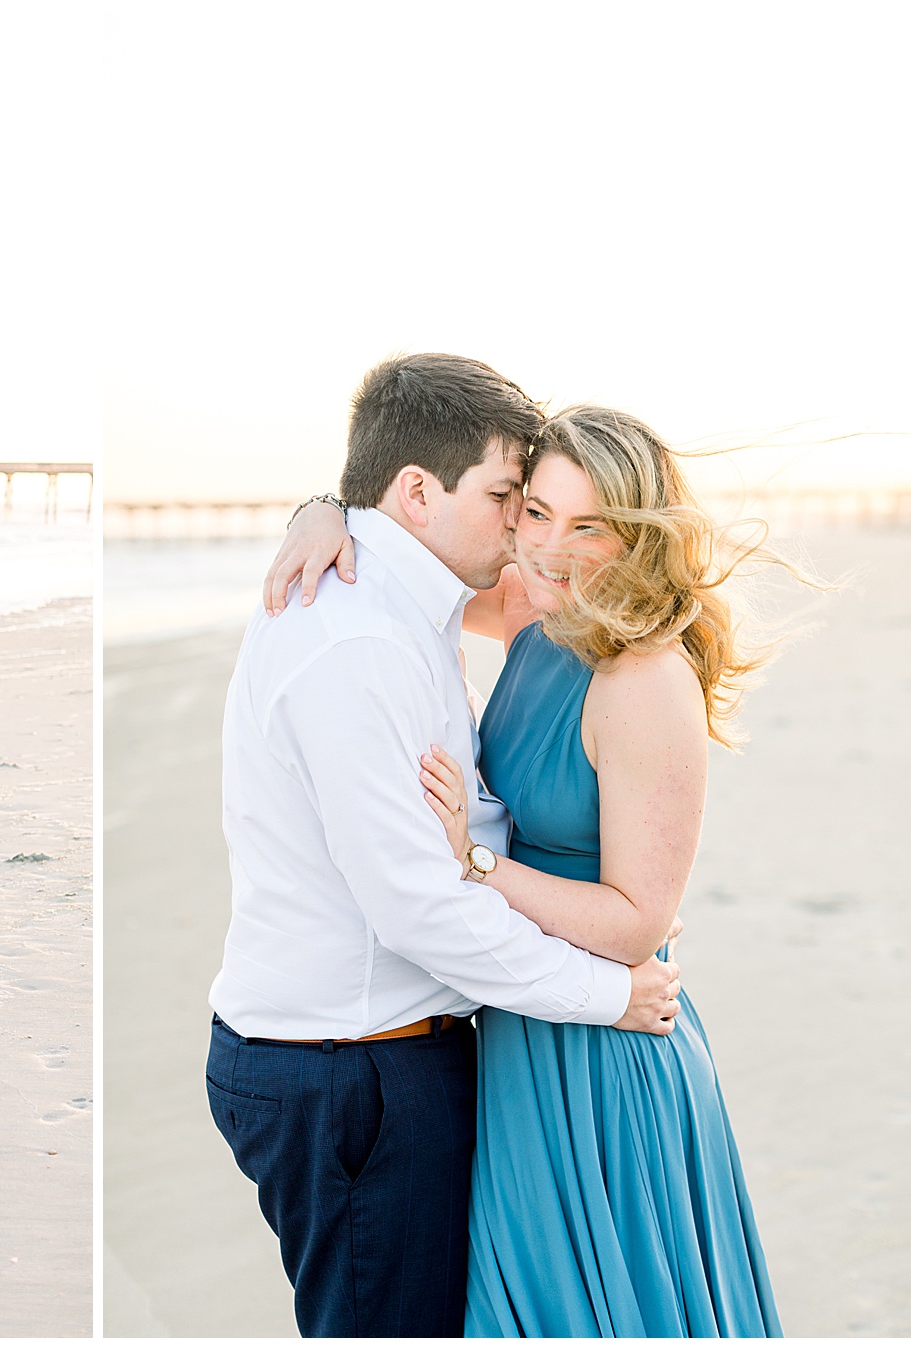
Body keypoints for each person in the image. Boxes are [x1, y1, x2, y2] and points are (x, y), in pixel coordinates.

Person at [269, 396, 799, 1335]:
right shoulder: (536, 611)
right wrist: (323, 513)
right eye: (536, 513)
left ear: (637, 535)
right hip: (523, 1024)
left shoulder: (644, 679)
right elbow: (399, 559)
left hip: (605, 1044)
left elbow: (639, 919)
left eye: (588, 525)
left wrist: (474, 863)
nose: (549, 547)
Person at [207, 354, 683, 1338]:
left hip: (432, 1049)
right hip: (353, 1069)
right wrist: (607, 993)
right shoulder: (360, 639)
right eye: (514, 500)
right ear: (419, 493)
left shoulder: (414, 600)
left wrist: (326, 508)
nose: (524, 531)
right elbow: (421, 907)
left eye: (544, 508)